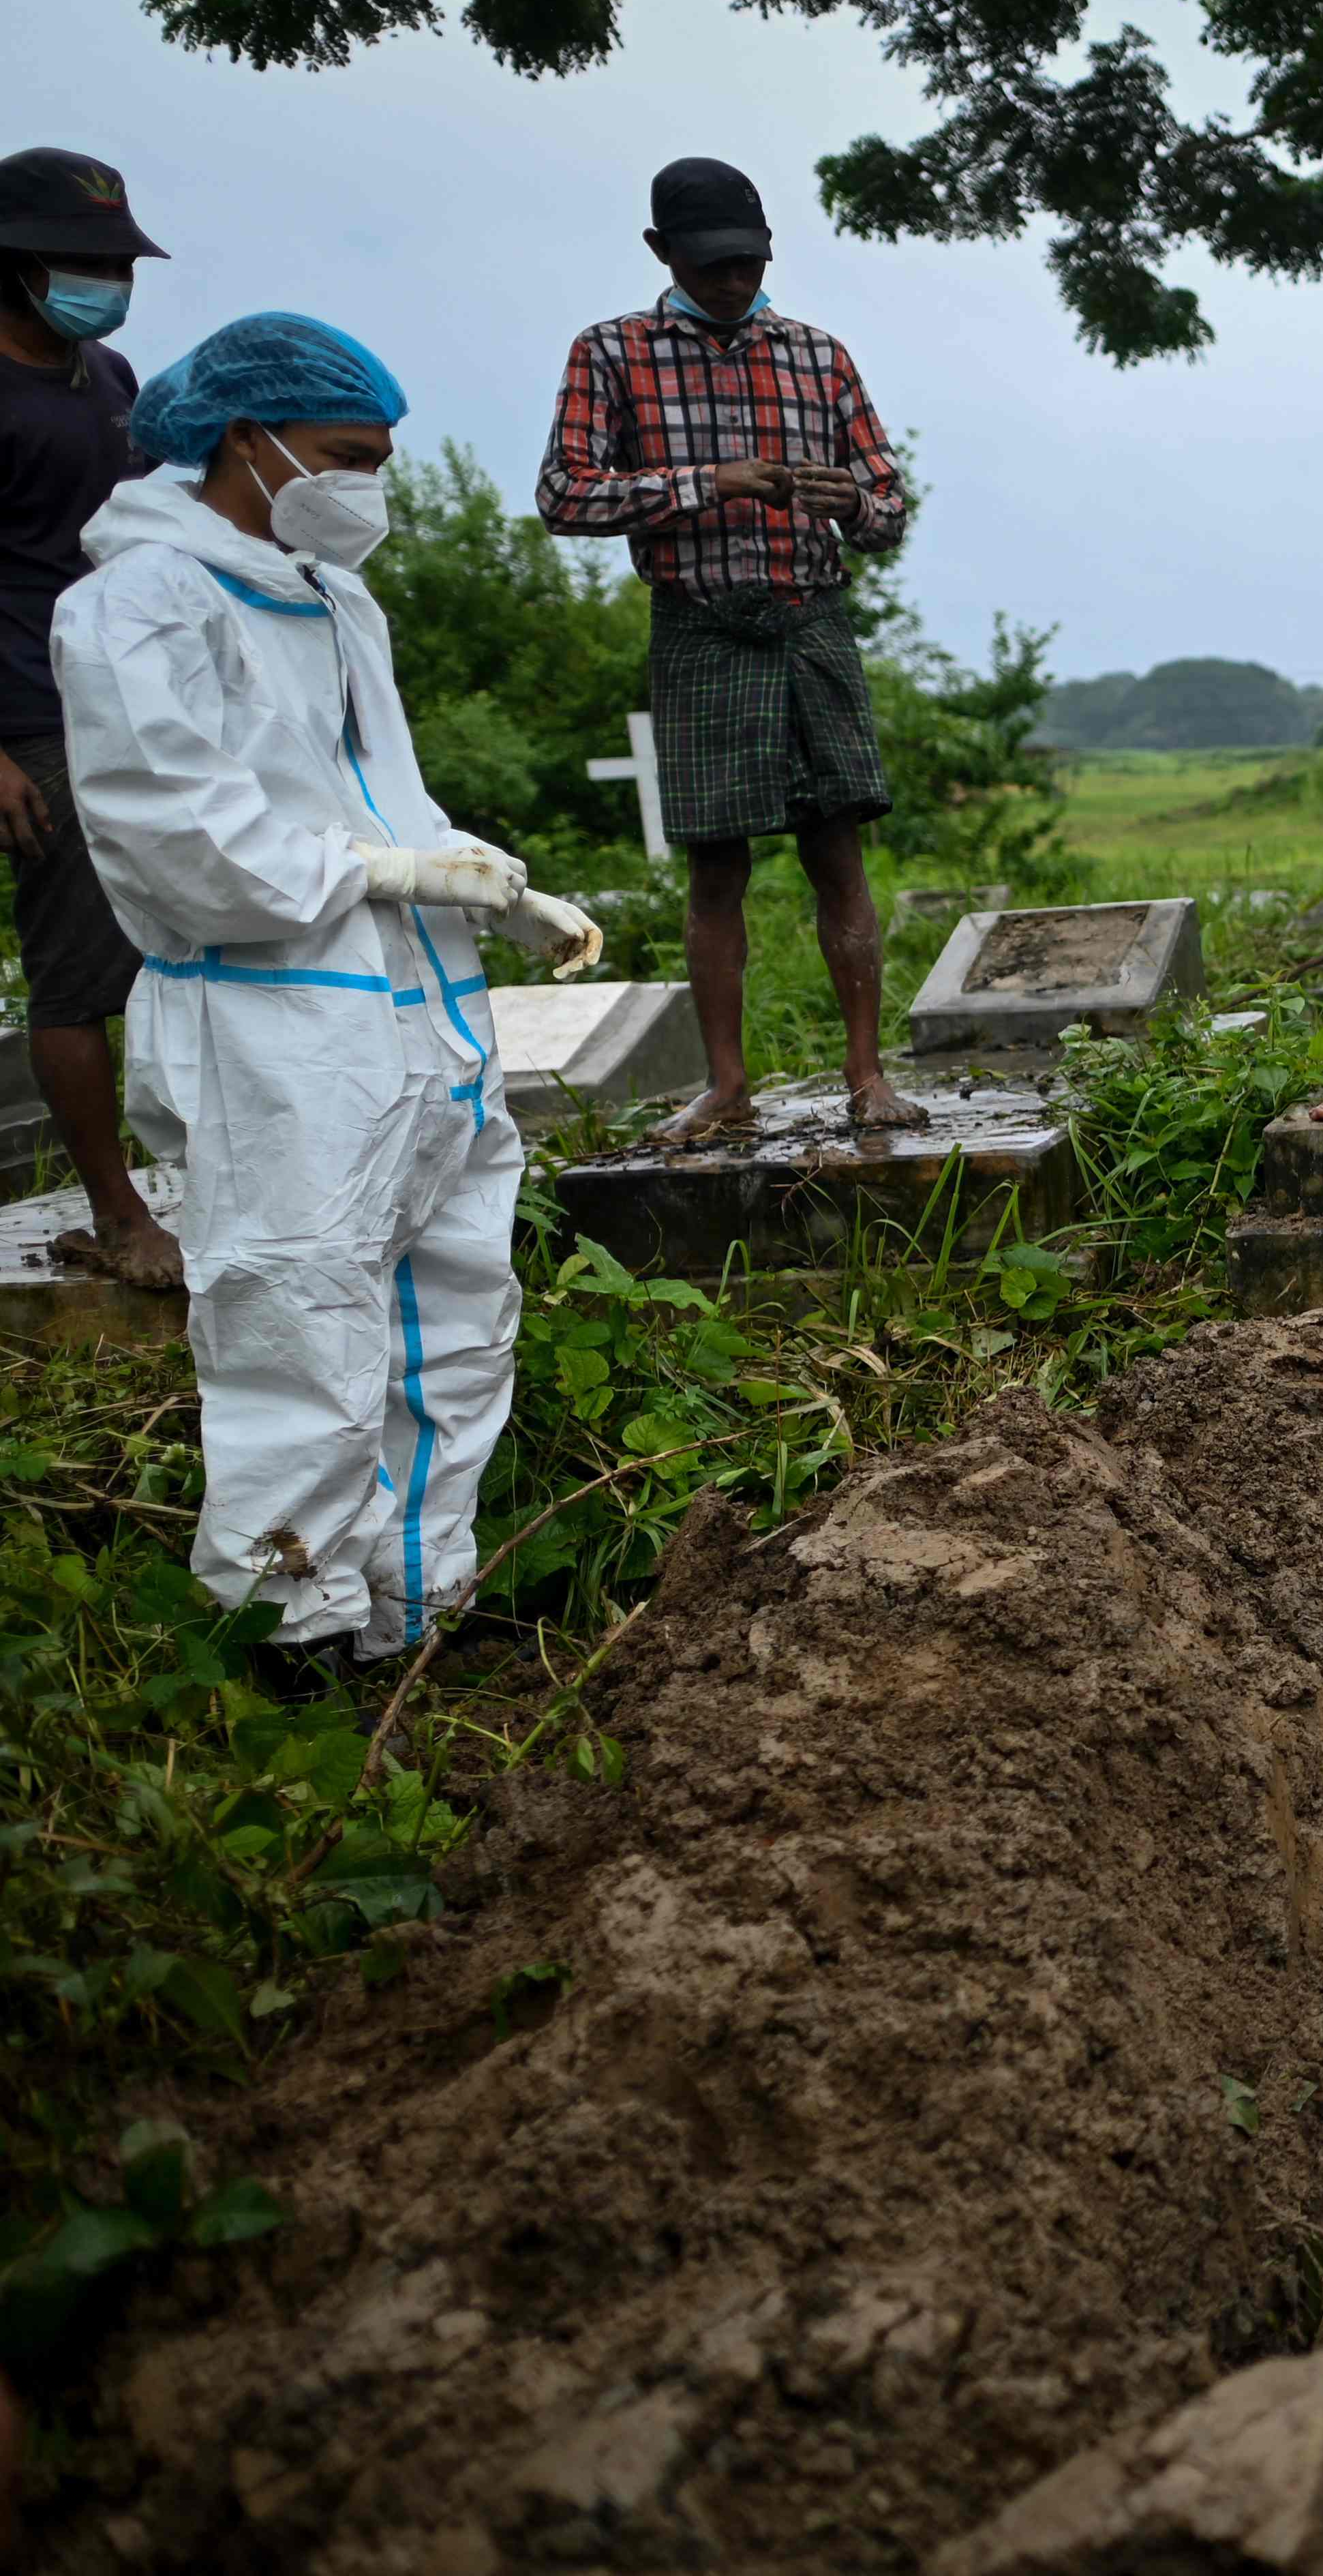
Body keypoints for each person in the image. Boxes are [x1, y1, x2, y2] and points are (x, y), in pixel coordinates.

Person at [54, 315, 600, 1662]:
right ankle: (294, 1638)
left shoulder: (336, 596)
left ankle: (416, 1612)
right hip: (274, 1027)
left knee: (452, 1324)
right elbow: (177, 844)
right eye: (350, 456)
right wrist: (392, 871)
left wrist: (486, 882)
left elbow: (375, 796)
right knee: (298, 1333)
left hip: (421, 1016)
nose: (370, 483)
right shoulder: (136, 604)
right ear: (252, 439)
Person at [536, 155, 917, 1139]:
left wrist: (856, 503)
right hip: (702, 626)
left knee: (839, 854)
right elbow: (564, 494)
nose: (736, 282)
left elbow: (887, 507)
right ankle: (726, 1086)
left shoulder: (818, 355)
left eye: (750, 262)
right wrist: (708, 482)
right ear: (663, 253)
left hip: (812, 621)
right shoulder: (614, 353)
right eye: (713, 266)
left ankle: (868, 1076)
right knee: (717, 868)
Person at [0, 147, 181, 1293]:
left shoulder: (108, 373)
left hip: (130, 697)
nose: (108, 279)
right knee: (74, 973)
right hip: (29, 713)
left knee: (174, 944)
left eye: (119, 261)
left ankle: (178, 1181)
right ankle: (116, 1216)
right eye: (84, 261)